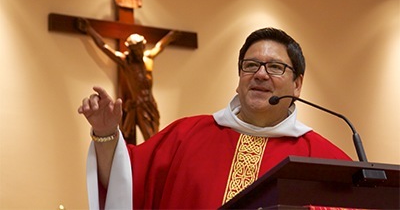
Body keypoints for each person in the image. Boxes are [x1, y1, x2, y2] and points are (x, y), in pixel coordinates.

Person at [78, 27, 352, 209]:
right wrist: (105, 133)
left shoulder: (324, 161)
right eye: (251, 65)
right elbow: (123, 184)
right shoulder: (185, 136)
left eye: (275, 67)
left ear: (297, 84)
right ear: (239, 78)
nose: (260, 74)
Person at [76, 18, 180, 144]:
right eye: (136, 49)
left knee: (157, 136)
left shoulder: (148, 58)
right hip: (139, 106)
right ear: (131, 50)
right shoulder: (126, 63)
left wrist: (171, 35)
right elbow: (104, 47)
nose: (140, 51)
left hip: (151, 104)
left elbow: (160, 45)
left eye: (141, 47)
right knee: (153, 140)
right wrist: (89, 29)